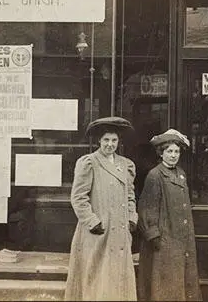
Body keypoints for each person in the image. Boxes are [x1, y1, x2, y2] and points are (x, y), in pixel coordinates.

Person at [64, 116, 138, 301]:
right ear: (99, 140)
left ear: (119, 141)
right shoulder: (89, 162)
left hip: (120, 231)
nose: (110, 144)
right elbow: (78, 198)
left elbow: (130, 196)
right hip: (98, 231)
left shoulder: (125, 164)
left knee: (118, 280)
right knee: (97, 278)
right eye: (106, 140)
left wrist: (131, 218)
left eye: (114, 140)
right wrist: (93, 221)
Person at [137, 129, 202, 301]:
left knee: (182, 281)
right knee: (165, 284)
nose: (173, 155)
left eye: (176, 151)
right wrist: (154, 236)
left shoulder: (180, 173)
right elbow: (146, 209)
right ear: (161, 153)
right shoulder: (155, 175)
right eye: (169, 151)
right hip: (165, 239)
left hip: (182, 238)